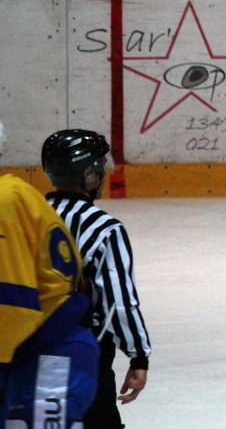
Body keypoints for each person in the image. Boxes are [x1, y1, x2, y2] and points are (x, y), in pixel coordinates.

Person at [42, 129, 152, 429]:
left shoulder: (29, 217)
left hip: (24, 353)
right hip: (81, 355)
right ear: (88, 173)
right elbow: (119, 302)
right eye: (100, 167)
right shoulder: (104, 229)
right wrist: (139, 356)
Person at [1, 120, 99, 428]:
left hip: (49, 355)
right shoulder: (14, 194)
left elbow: (12, 304)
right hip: (33, 350)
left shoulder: (5, 201)